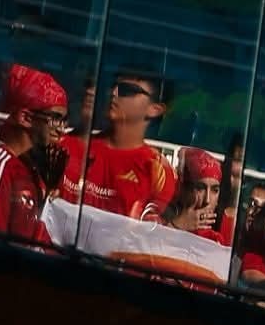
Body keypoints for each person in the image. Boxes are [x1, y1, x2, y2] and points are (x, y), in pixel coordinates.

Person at [0, 63, 69, 244]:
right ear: (25, 118)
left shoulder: (35, 173)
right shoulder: (0, 166)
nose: (61, 129)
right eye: (55, 119)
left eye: (64, 121)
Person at [58, 67, 177, 221]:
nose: (113, 93)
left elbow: (152, 231)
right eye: (113, 86)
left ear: (155, 109)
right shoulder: (66, 145)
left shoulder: (157, 171)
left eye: (127, 90)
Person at [164, 147, 225, 240]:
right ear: (184, 189)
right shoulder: (158, 220)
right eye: (200, 188)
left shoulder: (216, 241)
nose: (207, 200)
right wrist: (179, 225)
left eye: (215, 190)